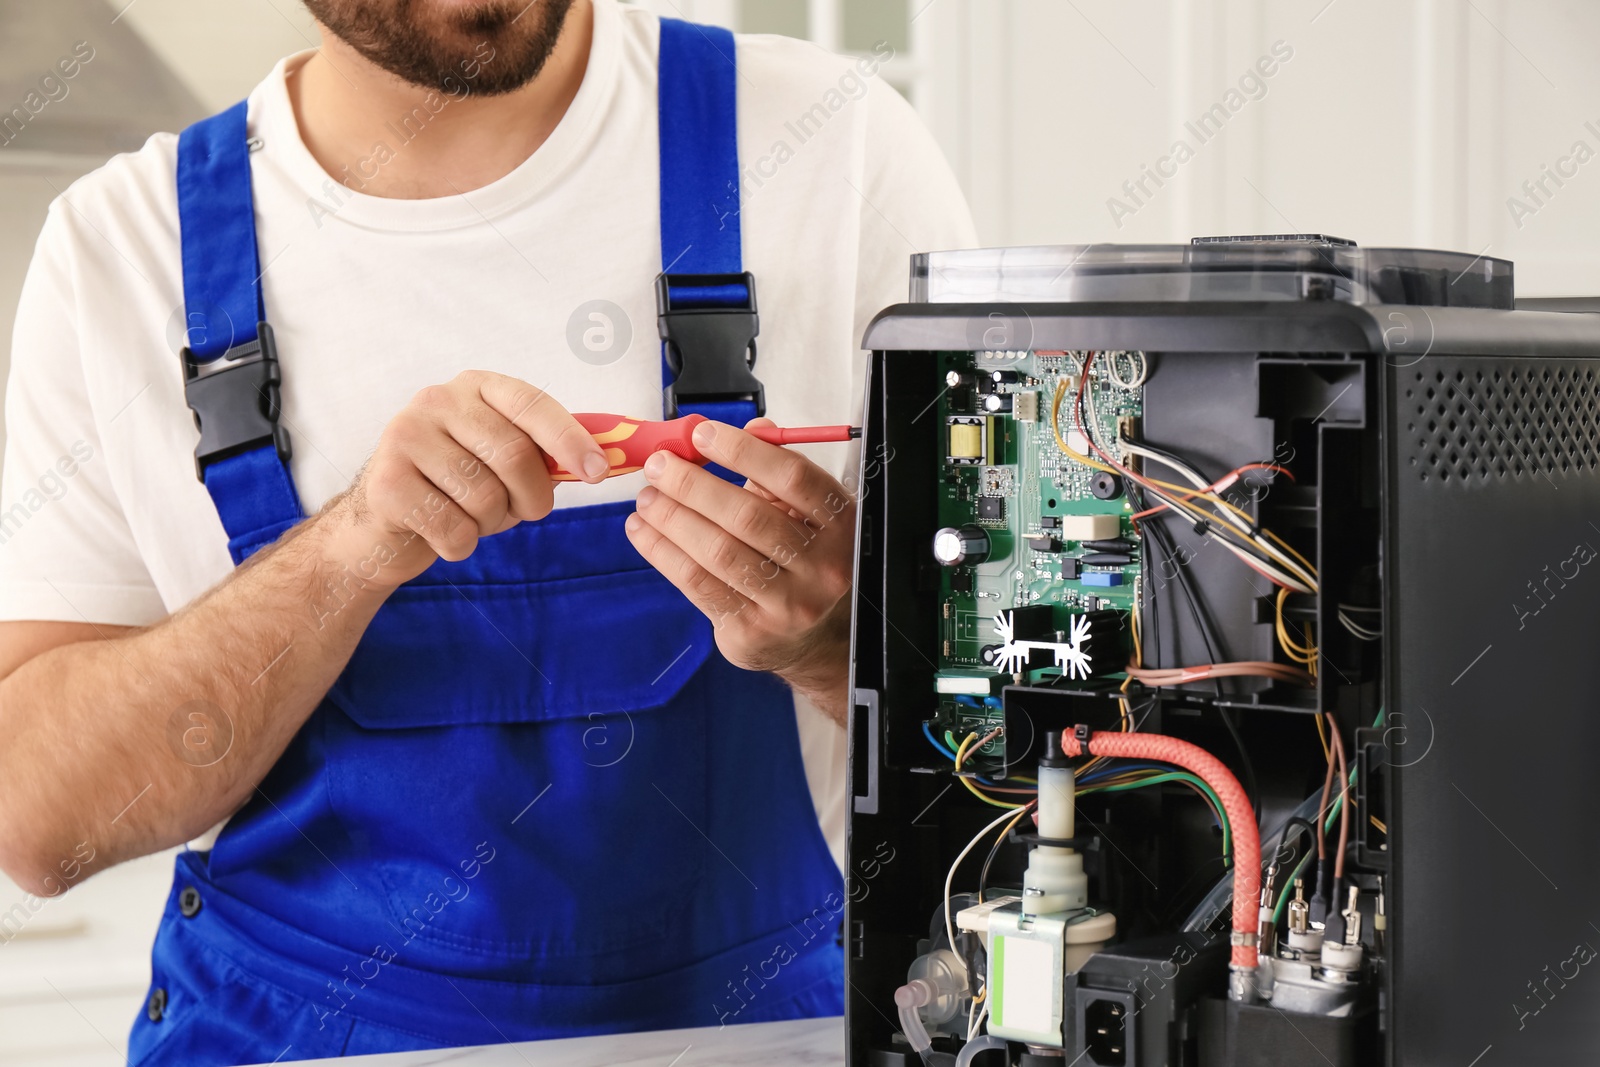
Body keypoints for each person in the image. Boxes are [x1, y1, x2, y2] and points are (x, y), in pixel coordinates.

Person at [0, 0, 974, 1062]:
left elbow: (1035, 743)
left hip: (765, 1030)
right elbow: (37, 819)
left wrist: (838, 648)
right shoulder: (126, 248)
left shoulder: (833, 144)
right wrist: (354, 546)